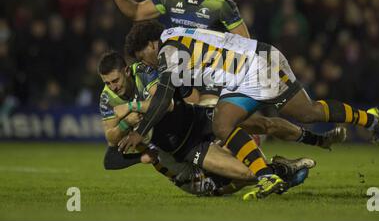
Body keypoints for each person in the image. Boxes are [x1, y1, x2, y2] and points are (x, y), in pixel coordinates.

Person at [122, 21, 379, 200]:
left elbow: (165, 96)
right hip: (240, 75)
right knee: (223, 124)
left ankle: (370, 119)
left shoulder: (168, 51)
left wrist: (140, 132)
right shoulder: (177, 36)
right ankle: (267, 176)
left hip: (257, 65)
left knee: (307, 113)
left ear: (150, 45)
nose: (145, 63)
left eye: (141, 56)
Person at [98, 51, 344, 198]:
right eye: (108, 83)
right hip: (187, 148)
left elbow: (163, 104)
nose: (113, 87)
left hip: (196, 119)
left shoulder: (144, 72)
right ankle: (282, 169)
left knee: (261, 123)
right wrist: (125, 124)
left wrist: (129, 109)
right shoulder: (107, 97)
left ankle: (318, 140)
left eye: (115, 81)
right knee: (247, 172)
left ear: (126, 72)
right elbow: (111, 138)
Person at [102, 0, 249, 104]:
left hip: (210, 74)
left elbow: (245, 43)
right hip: (179, 72)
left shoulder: (222, 3)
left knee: (211, 118)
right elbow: (136, 12)